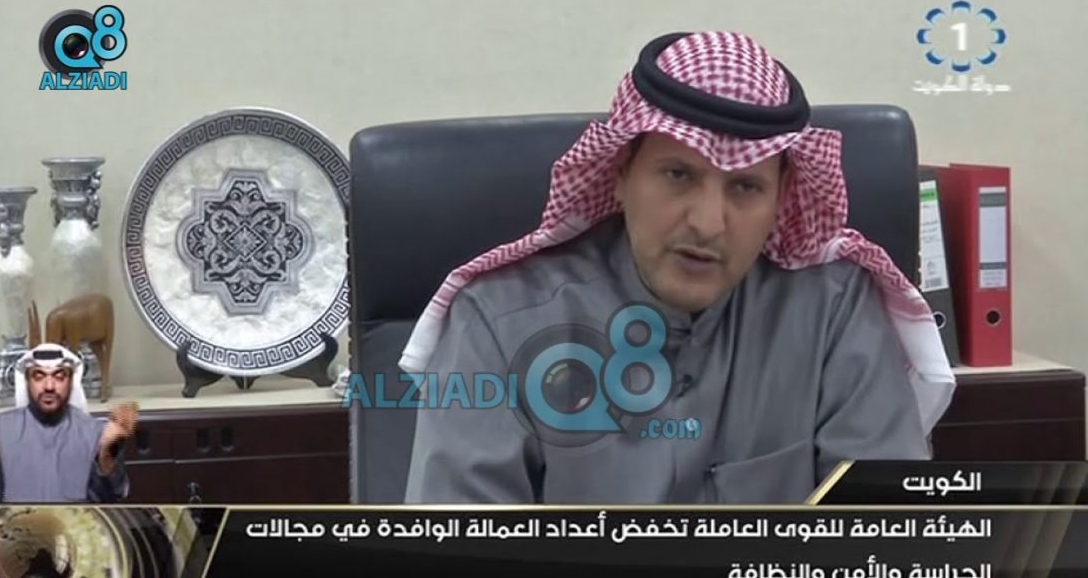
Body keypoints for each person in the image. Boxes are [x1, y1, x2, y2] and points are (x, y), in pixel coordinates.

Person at [398, 31, 956, 504]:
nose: (708, 224)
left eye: (745, 187)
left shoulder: (834, 311)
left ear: (782, 197)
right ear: (622, 172)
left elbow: (886, 532)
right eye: (678, 175)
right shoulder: (499, 322)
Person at [0, 343, 138, 503]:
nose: (49, 386)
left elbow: (113, 497)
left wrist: (107, 454)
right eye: (39, 376)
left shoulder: (94, 432)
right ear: (27, 381)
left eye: (59, 377)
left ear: (71, 382)